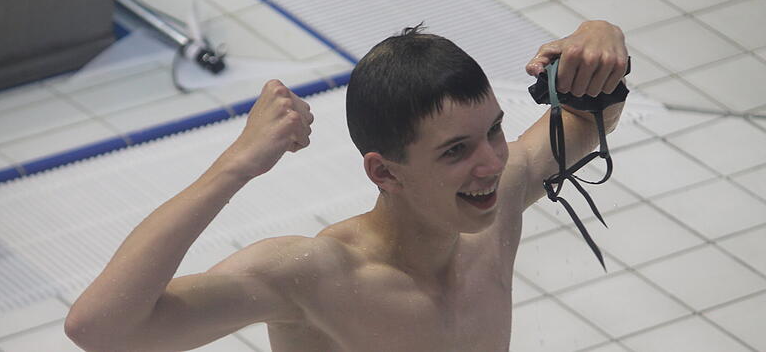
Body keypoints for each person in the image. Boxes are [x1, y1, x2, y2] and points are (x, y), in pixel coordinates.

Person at [65, 20, 629, 351]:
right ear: (385, 172)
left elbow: (588, 117)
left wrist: (599, 40)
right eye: (455, 151)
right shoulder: (314, 276)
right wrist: (234, 166)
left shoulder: (495, 203)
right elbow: (101, 328)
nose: (490, 164)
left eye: (495, 132)